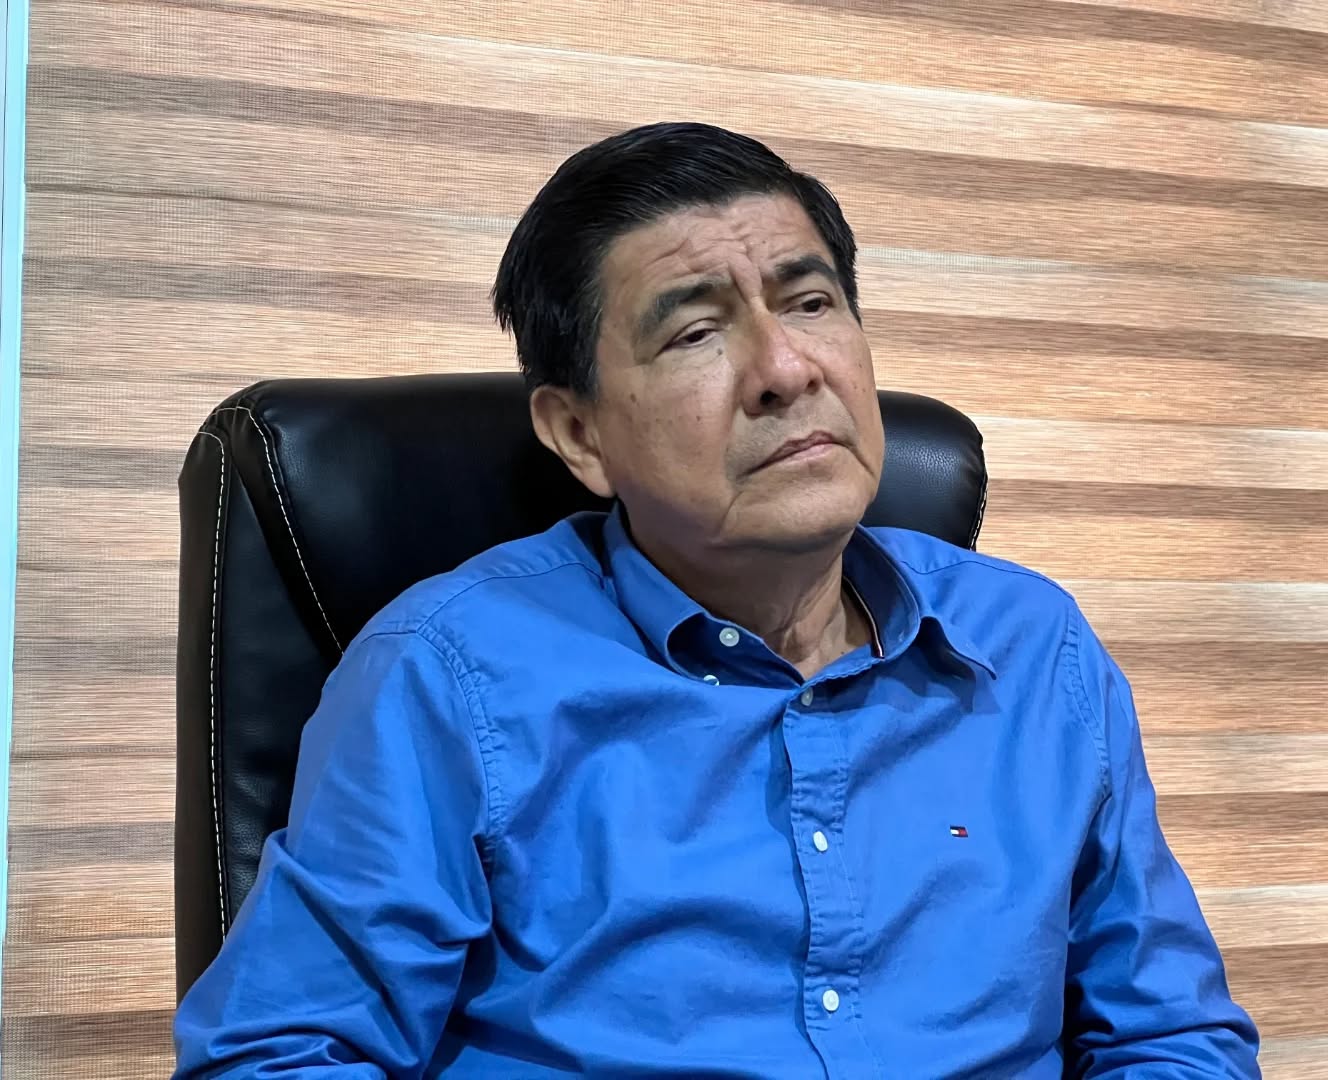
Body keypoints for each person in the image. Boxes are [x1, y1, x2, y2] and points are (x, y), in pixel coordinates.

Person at [173, 122, 1261, 1078]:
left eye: (812, 302)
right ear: (579, 435)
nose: (786, 368)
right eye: (696, 331)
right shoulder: (449, 677)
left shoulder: (1033, 648)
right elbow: (279, 1056)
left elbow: (1172, 1035)